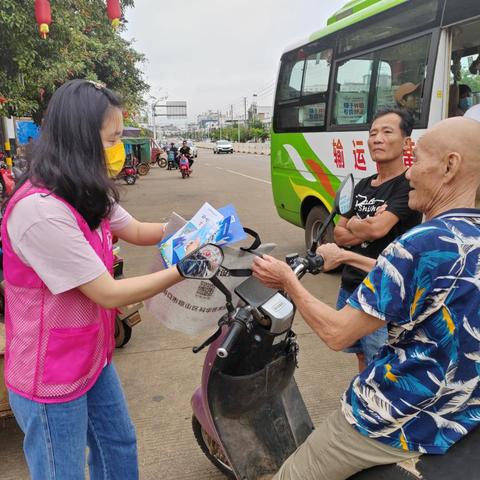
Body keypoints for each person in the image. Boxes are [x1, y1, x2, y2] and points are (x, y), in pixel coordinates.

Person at [252, 116, 480, 479]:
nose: (409, 173)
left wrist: (288, 283)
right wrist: (344, 255)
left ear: (450, 166)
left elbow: (337, 333)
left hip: (398, 418)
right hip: (462, 413)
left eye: (417, 160)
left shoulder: (418, 243)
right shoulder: (465, 237)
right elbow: (404, 274)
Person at [2, 79, 184, 480]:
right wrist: (183, 270)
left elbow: (135, 230)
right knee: (61, 471)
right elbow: (107, 292)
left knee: (118, 444)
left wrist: (192, 230)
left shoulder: (85, 190)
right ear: (80, 139)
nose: (118, 148)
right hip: (49, 373)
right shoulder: (40, 211)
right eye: (112, 138)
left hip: (91, 356)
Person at [334, 107, 422, 371]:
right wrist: (366, 224)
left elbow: (377, 231)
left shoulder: (407, 185)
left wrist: (356, 223)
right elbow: (338, 233)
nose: (377, 139)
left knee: (383, 362)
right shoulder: (362, 184)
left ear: (406, 142)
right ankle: (362, 397)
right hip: (350, 285)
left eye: (387, 132)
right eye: (373, 133)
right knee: (361, 354)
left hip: (383, 290)